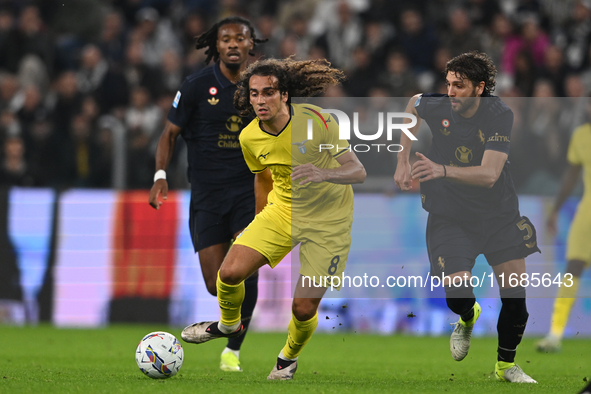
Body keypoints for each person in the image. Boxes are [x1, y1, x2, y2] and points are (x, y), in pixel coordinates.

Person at [179, 58, 366, 380]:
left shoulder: (317, 121)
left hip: (329, 222)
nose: (260, 100)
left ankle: (287, 360)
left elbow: (358, 171)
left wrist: (323, 172)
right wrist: (257, 222)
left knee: (303, 308)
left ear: (284, 95)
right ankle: (228, 324)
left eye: (268, 93)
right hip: (282, 213)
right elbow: (263, 178)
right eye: (254, 94)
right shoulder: (250, 137)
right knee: (229, 272)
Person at [394, 51, 539, 383]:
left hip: (499, 215)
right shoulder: (440, 105)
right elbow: (413, 104)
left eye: (459, 86)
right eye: (448, 84)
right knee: (458, 293)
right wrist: (402, 159)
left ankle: (505, 366)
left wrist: (440, 169)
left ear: (479, 88)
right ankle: (468, 316)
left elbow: (489, 174)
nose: (451, 92)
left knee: (516, 300)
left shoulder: (498, 115)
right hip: (451, 215)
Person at [148, 16, 266, 372]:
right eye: (225, 38)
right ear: (216, 45)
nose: (232, 44)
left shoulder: (261, 86)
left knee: (243, 270)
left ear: (250, 45)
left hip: (249, 191)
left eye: (239, 38)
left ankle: (233, 348)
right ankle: (232, 322)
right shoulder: (197, 85)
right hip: (207, 195)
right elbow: (169, 134)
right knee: (217, 285)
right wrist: (160, 175)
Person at [536, 100, 591, 353]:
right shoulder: (581, 135)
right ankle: (555, 334)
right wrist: (556, 209)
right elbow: (571, 174)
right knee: (573, 267)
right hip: (586, 214)